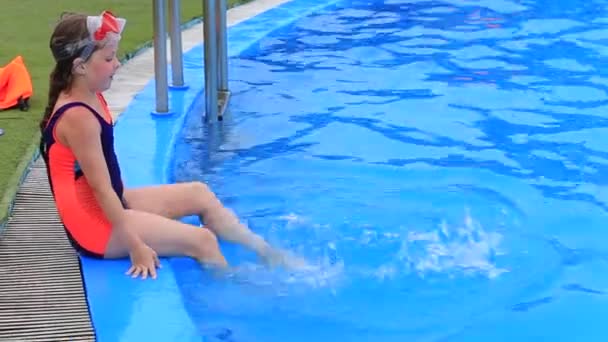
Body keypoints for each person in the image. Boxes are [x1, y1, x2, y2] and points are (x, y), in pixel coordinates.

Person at [39, 11, 302, 280]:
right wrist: (136, 246)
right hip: (93, 225)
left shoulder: (89, 92)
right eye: (108, 58)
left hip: (110, 203)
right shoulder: (78, 117)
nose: (117, 64)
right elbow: (101, 188)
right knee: (202, 240)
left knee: (199, 193)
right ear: (80, 66)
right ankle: (240, 292)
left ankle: (268, 253)